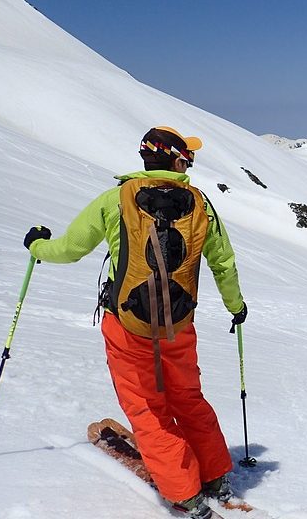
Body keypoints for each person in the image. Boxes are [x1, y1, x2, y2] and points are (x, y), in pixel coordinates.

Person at [23, 126, 248, 519]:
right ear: (178, 160)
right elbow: (223, 263)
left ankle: (186, 494)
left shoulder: (116, 200)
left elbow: (70, 249)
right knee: (188, 399)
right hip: (179, 325)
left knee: (147, 409)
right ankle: (215, 477)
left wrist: (36, 245)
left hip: (127, 326)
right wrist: (236, 306)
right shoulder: (201, 205)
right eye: (187, 155)